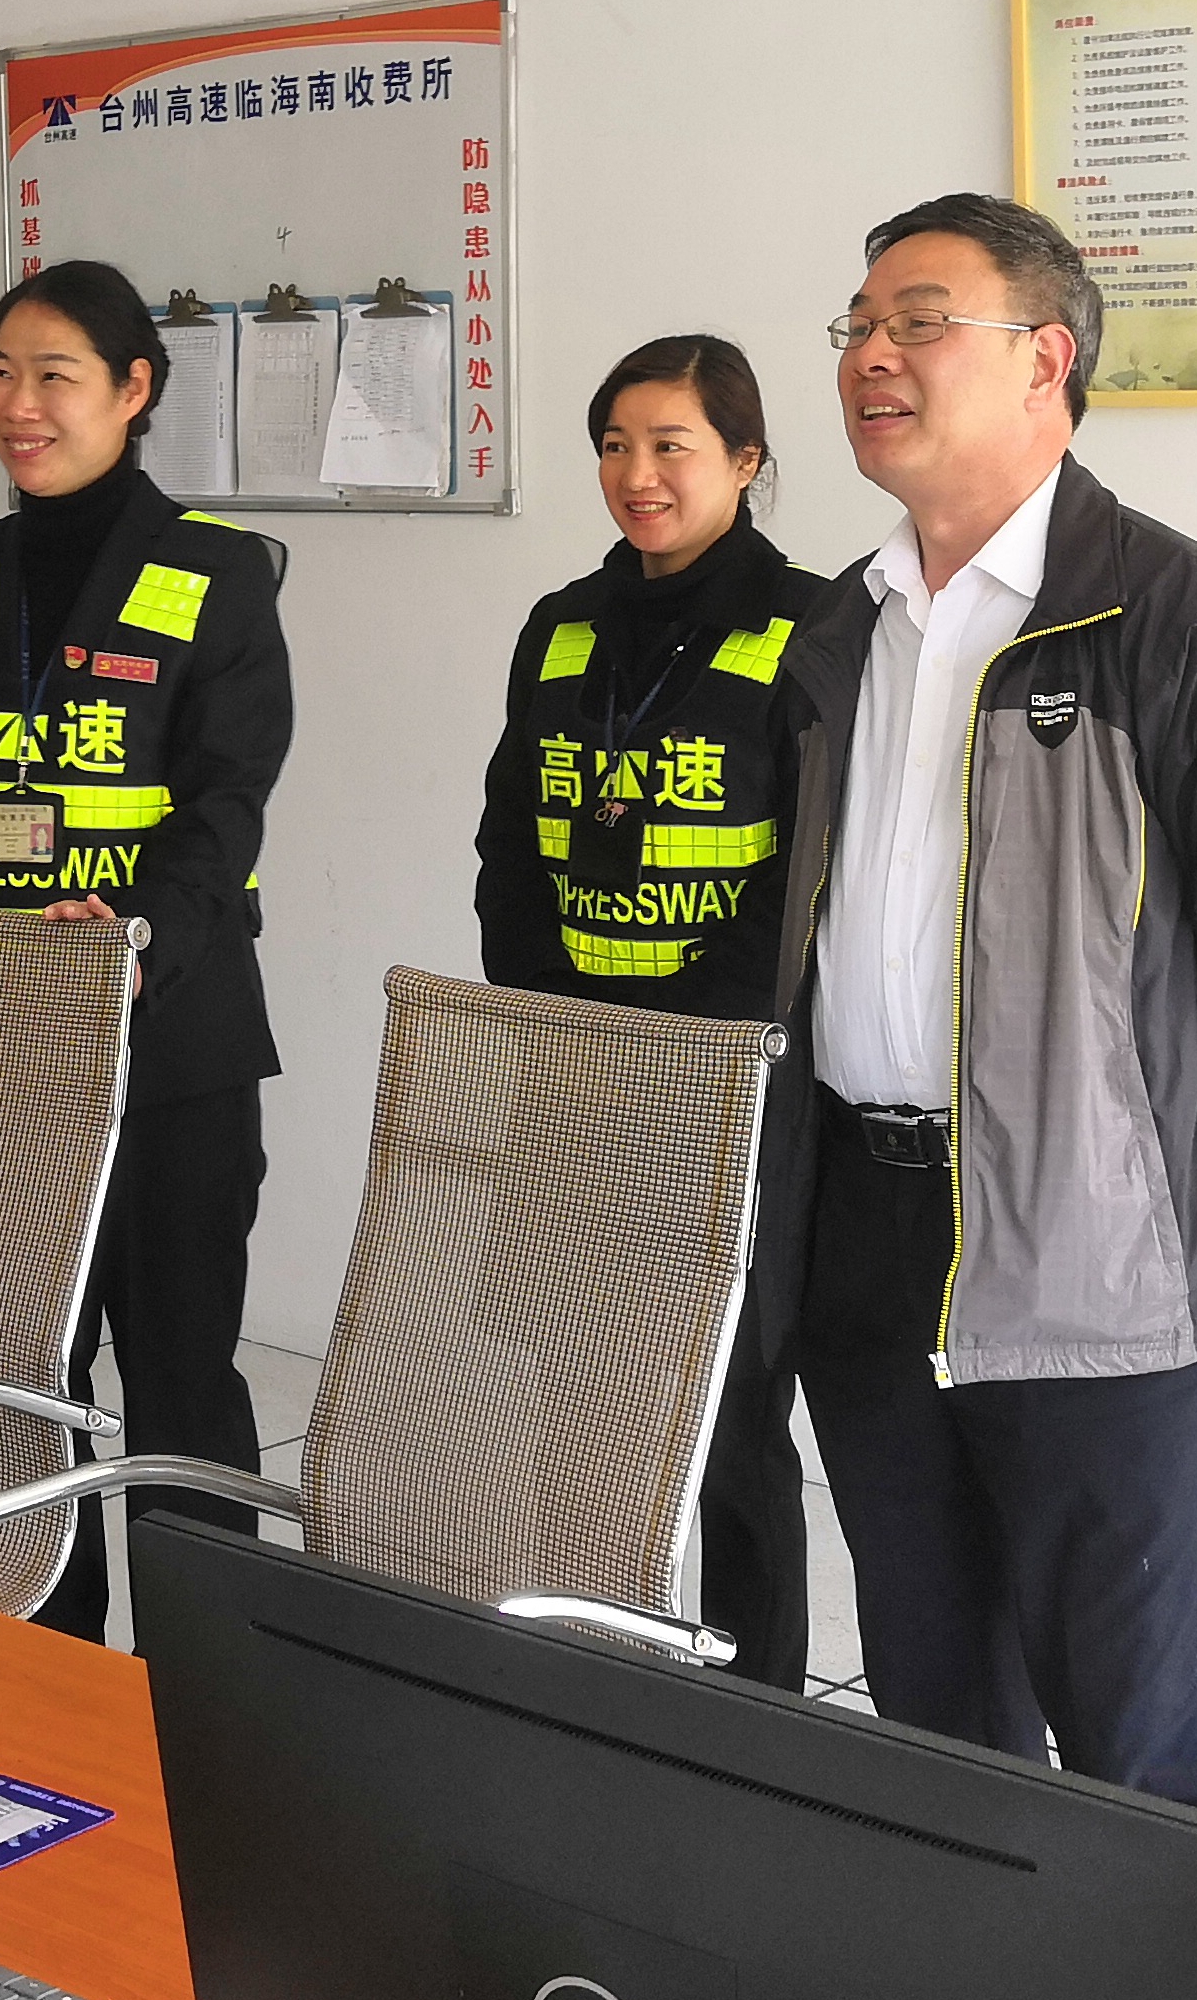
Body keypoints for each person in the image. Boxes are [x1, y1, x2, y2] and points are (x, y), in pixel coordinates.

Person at [770, 193, 1197, 1819]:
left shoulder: (1182, 617)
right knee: (936, 1704)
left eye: (918, 320)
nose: (870, 354)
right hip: (866, 1236)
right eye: (857, 325)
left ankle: (1174, 1949)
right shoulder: (842, 625)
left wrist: (1153, 1157)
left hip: (1098, 1254)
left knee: (1140, 1732)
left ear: (1046, 358)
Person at [0, 258, 292, 1643]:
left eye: (54, 375)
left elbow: (223, 810)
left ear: (134, 390)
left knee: (181, 1376)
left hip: (168, 1045)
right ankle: (47, 1663)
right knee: (20, 1378)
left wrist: (136, 941)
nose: (18, 404)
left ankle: (210, 1686)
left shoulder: (214, 574)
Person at [472, 334, 827, 1691]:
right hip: (569, 1073)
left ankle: (758, 1710)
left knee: (729, 1419)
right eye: (615, 446)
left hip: (725, 1085)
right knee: (573, 1396)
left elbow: (805, 883)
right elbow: (511, 847)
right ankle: (586, 1663)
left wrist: (675, 1043)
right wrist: (555, 1021)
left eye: (672, 445)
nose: (638, 474)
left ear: (744, 459)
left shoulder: (810, 630)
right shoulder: (561, 623)